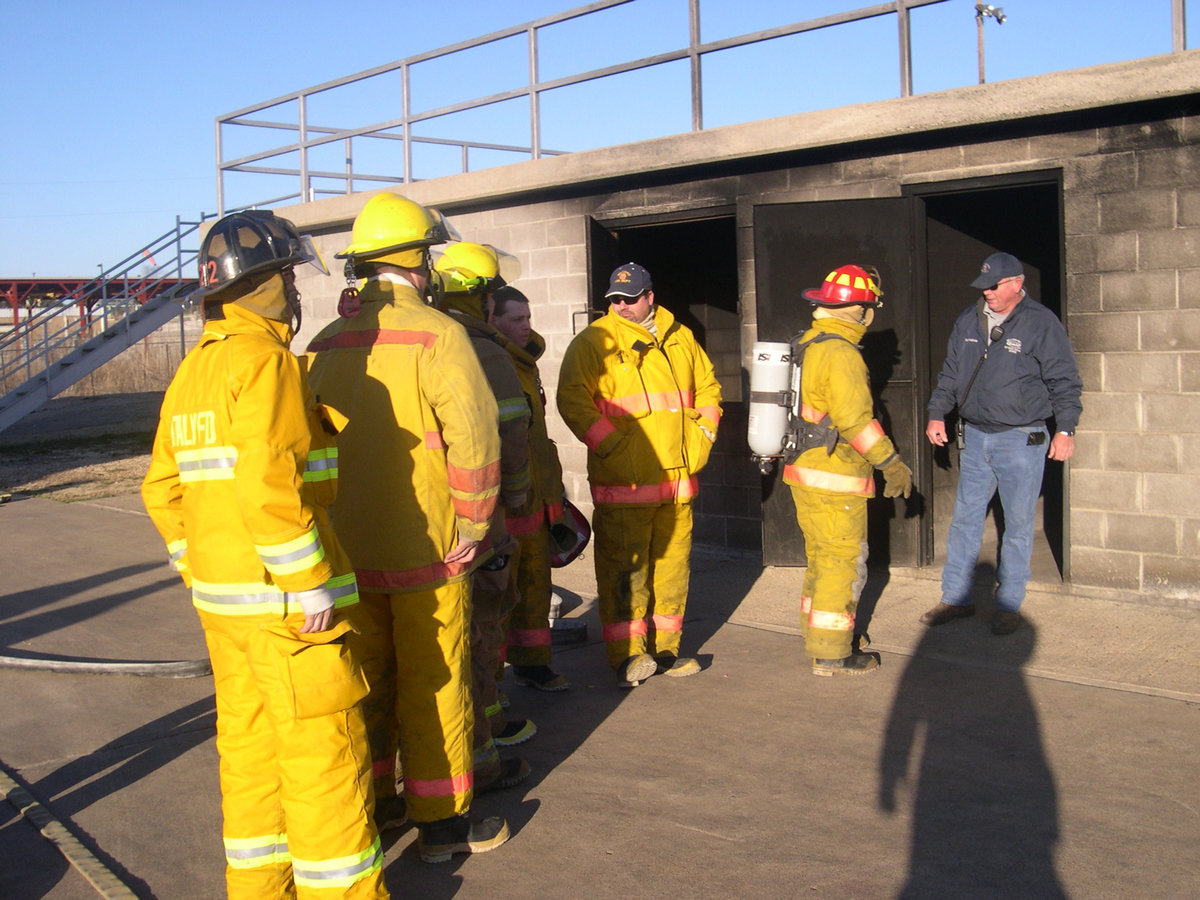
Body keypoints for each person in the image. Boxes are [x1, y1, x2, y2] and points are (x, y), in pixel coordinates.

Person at [141, 210, 388, 898]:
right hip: (290, 619)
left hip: (228, 614)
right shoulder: (267, 362)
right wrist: (307, 584)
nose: (292, 287)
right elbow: (268, 482)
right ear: (260, 284)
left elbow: (161, 489)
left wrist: (201, 570)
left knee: (249, 762)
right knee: (323, 765)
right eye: (284, 274)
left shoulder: (195, 371)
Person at [306, 192, 509, 863]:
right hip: (430, 550)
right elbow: (475, 440)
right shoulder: (439, 334)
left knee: (368, 686)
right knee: (435, 683)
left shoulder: (324, 345)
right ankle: (445, 826)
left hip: (346, 554)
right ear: (418, 261)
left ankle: (381, 805)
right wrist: (476, 526)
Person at [557, 262, 723, 687]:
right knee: (624, 574)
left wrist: (702, 435)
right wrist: (613, 446)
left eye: (630, 298)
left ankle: (666, 651)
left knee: (671, 570)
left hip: (677, 483)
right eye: (614, 298)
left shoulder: (680, 338)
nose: (621, 306)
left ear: (650, 296)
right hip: (625, 485)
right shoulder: (594, 342)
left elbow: (708, 389)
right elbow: (572, 399)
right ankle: (628, 657)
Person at [924, 252, 1082, 636]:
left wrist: (1066, 430)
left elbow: (1065, 380)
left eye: (994, 286)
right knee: (965, 519)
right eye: (983, 287)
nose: (987, 293)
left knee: (1018, 523)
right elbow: (950, 374)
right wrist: (936, 412)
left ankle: (1009, 604)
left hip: (1021, 438)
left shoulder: (1041, 324)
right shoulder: (968, 320)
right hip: (976, 436)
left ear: (1016, 283)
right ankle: (956, 597)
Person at [432, 241, 535, 792]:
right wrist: (514, 503)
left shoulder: (407, 340)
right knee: (479, 624)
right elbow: (509, 434)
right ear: (482, 297)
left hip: (419, 521)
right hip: (479, 516)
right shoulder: (477, 350)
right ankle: (481, 749)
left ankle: (484, 728)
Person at [784, 264, 913, 676]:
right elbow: (856, 422)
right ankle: (833, 652)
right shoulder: (840, 353)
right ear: (861, 311)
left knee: (822, 559)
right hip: (835, 476)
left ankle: (818, 635)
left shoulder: (806, 342)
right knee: (842, 562)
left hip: (805, 472)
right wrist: (891, 464)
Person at [488, 285, 571, 692]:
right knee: (503, 596)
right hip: (509, 503)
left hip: (537, 496)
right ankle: (493, 680)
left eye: (528, 318)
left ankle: (533, 665)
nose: (527, 327)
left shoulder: (525, 363)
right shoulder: (492, 361)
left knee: (537, 587)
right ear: (494, 320)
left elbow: (535, 436)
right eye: (517, 319)